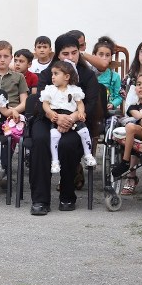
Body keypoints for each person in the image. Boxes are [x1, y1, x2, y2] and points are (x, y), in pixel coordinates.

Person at [27, 32, 102, 215]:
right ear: (57, 55)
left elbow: (91, 104)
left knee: (67, 144)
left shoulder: (87, 76)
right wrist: (56, 117)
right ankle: (40, 200)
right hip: (47, 119)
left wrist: (71, 118)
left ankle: (67, 195)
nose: (70, 57)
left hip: (76, 121)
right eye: (65, 54)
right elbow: (40, 102)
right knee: (40, 140)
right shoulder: (48, 74)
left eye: (74, 53)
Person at [41, 60, 95, 174]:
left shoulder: (74, 90)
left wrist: (81, 112)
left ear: (66, 77)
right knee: (54, 135)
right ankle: (55, 161)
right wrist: (50, 112)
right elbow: (45, 104)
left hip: (72, 114)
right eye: (52, 74)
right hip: (57, 115)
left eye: (56, 74)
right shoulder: (50, 89)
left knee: (84, 131)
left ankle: (88, 154)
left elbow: (80, 103)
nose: (52, 77)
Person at [0, 40, 27, 120]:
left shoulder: (19, 76)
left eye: (6, 56)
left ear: (11, 58)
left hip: (14, 115)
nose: (2, 60)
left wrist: (12, 111)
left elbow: (24, 102)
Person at [93, 37, 122, 114]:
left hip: (108, 111)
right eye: (101, 54)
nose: (104, 58)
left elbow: (119, 96)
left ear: (111, 58)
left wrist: (112, 104)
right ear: (94, 55)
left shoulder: (115, 76)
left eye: (107, 55)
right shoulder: (89, 73)